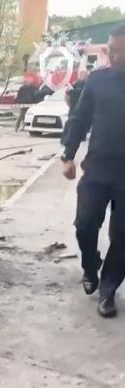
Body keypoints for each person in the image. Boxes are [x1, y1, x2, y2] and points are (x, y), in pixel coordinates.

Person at [61, 23, 125, 318]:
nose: (111, 55)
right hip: (98, 168)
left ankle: (108, 291)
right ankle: (90, 265)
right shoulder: (98, 81)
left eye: (117, 50)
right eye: (110, 49)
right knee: (85, 224)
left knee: (123, 236)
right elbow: (80, 118)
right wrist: (68, 155)